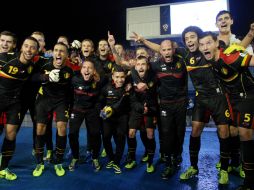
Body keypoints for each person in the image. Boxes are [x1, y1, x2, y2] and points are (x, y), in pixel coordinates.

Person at [199, 31, 254, 190]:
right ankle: (236, 165)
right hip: (231, 100)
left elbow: (245, 58)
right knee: (233, 132)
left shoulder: (230, 56)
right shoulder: (209, 60)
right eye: (202, 45)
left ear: (217, 43)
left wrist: (249, 35)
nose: (204, 47)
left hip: (247, 96)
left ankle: (249, 183)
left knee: (245, 133)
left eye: (208, 43)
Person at [0, 36, 39, 180]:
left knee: (11, 133)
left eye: (32, 47)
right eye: (26, 46)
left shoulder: (31, 66)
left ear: (36, 50)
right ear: (21, 47)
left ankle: (3, 168)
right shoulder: (4, 58)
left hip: (15, 103)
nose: (29, 50)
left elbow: (35, 77)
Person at [32, 42, 73, 177]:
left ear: (66, 55)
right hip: (44, 99)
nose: (58, 53)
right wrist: (43, 77)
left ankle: (58, 161)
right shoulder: (44, 64)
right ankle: (39, 162)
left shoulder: (70, 69)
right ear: (53, 53)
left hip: (61, 101)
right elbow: (31, 76)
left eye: (62, 51)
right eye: (56, 50)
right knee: (40, 129)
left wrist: (71, 106)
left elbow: (72, 89)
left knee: (62, 127)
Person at [68, 59, 102, 172]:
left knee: (96, 134)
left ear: (94, 71)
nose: (86, 70)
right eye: (84, 67)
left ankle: (95, 157)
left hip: (92, 110)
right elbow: (66, 93)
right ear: (81, 69)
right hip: (77, 109)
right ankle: (75, 157)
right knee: (72, 134)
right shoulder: (74, 79)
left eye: (90, 68)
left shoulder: (99, 81)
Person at [125, 56, 157, 173]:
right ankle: (132, 159)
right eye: (138, 64)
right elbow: (131, 97)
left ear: (147, 66)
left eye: (143, 64)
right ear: (135, 67)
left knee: (150, 134)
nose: (141, 66)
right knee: (131, 133)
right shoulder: (131, 77)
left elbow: (154, 97)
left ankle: (150, 162)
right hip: (136, 108)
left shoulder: (153, 77)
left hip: (150, 108)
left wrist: (148, 109)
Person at [100, 65, 130, 174]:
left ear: (125, 77)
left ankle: (117, 162)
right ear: (112, 77)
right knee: (106, 137)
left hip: (122, 117)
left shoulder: (128, 88)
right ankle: (111, 159)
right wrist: (102, 110)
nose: (119, 80)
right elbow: (100, 102)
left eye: (122, 77)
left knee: (120, 138)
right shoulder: (106, 88)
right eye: (117, 77)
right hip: (108, 118)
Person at [0, 31, 17, 136]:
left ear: (14, 45)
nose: (5, 44)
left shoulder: (18, 60)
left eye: (8, 42)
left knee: (7, 132)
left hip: (9, 102)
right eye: (2, 40)